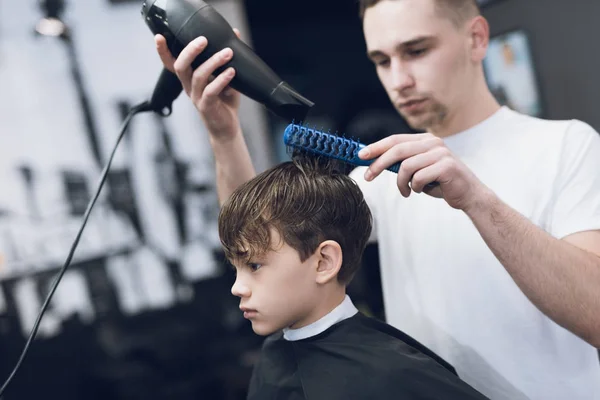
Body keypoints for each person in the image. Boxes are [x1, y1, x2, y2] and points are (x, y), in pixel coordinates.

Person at [154, 0, 600, 398]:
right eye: (381, 60)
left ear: (477, 38)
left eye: (417, 51)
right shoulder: (384, 175)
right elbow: (262, 246)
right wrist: (224, 133)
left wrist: (477, 201)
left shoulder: (566, 147)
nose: (398, 79)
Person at [218, 154, 488, 399]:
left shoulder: (393, 374)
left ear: (324, 262)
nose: (237, 288)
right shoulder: (271, 356)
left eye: (253, 266)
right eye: (235, 268)